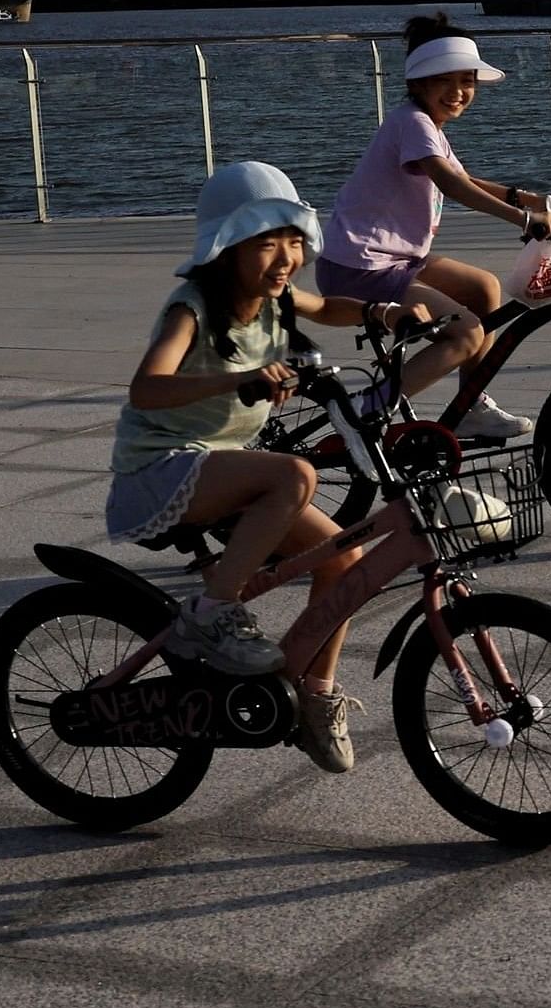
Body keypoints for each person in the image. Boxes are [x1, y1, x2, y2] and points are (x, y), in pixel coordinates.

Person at [109, 160, 473, 774]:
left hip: (219, 465)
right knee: (295, 475)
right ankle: (210, 614)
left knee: (346, 561)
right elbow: (147, 389)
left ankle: (315, 694)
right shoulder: (193, 307)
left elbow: (326, 305)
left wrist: (381, 314)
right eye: (266, 243)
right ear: (226, 249)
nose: (285, 257)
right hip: (158, 470)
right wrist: (243, 376)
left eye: (293, 240)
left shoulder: (277, 299)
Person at [316, 13, 551, 443]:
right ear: (417, 84)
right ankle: (364, 410)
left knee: (484, 289)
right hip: (359, 267)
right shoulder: (412, 123)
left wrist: (528, 197)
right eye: (445, 81)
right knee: (467, 332)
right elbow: (450, 183)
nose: (458, 93)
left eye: (467, 82)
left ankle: (470, 406)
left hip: (394, 259)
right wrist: (525, 220)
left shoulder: (424, 124)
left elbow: (465, 178)